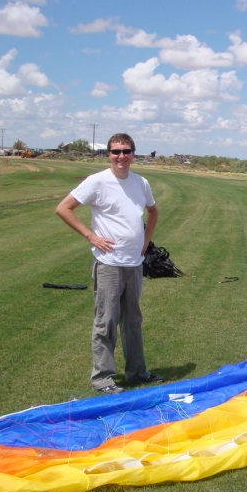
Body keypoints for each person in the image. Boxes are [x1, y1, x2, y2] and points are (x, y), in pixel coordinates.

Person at [55, 133, 164, 394]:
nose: (121, 156)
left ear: (133, 154)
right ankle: (103, 378)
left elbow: (153, 211)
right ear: (108, 154)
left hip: (134, 263)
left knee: (133, 321)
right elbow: (63, 208)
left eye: (126, 151)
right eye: (116, 151)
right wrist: (91, 236)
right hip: (109, 264)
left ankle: (137, 373)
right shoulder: (97, 182)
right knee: (106, 322)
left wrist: (146, 241)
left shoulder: (141, 183)